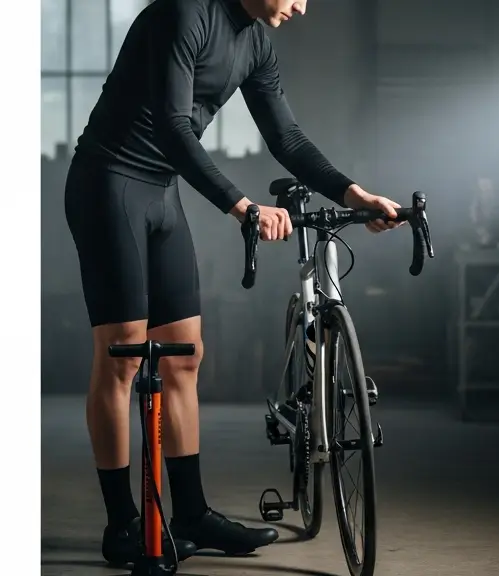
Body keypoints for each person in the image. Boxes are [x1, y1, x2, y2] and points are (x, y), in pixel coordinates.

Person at [62, 0, 403, 566]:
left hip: (161, 191)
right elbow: (173, 126)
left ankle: (191, 513)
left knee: (185, 356)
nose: (302, 6)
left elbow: (286, 138)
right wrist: (243, 206)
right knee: (122, 356)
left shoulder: (256, 43)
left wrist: (354, 193)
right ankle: (122, 525)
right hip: (109, 182)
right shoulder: (185, 14)